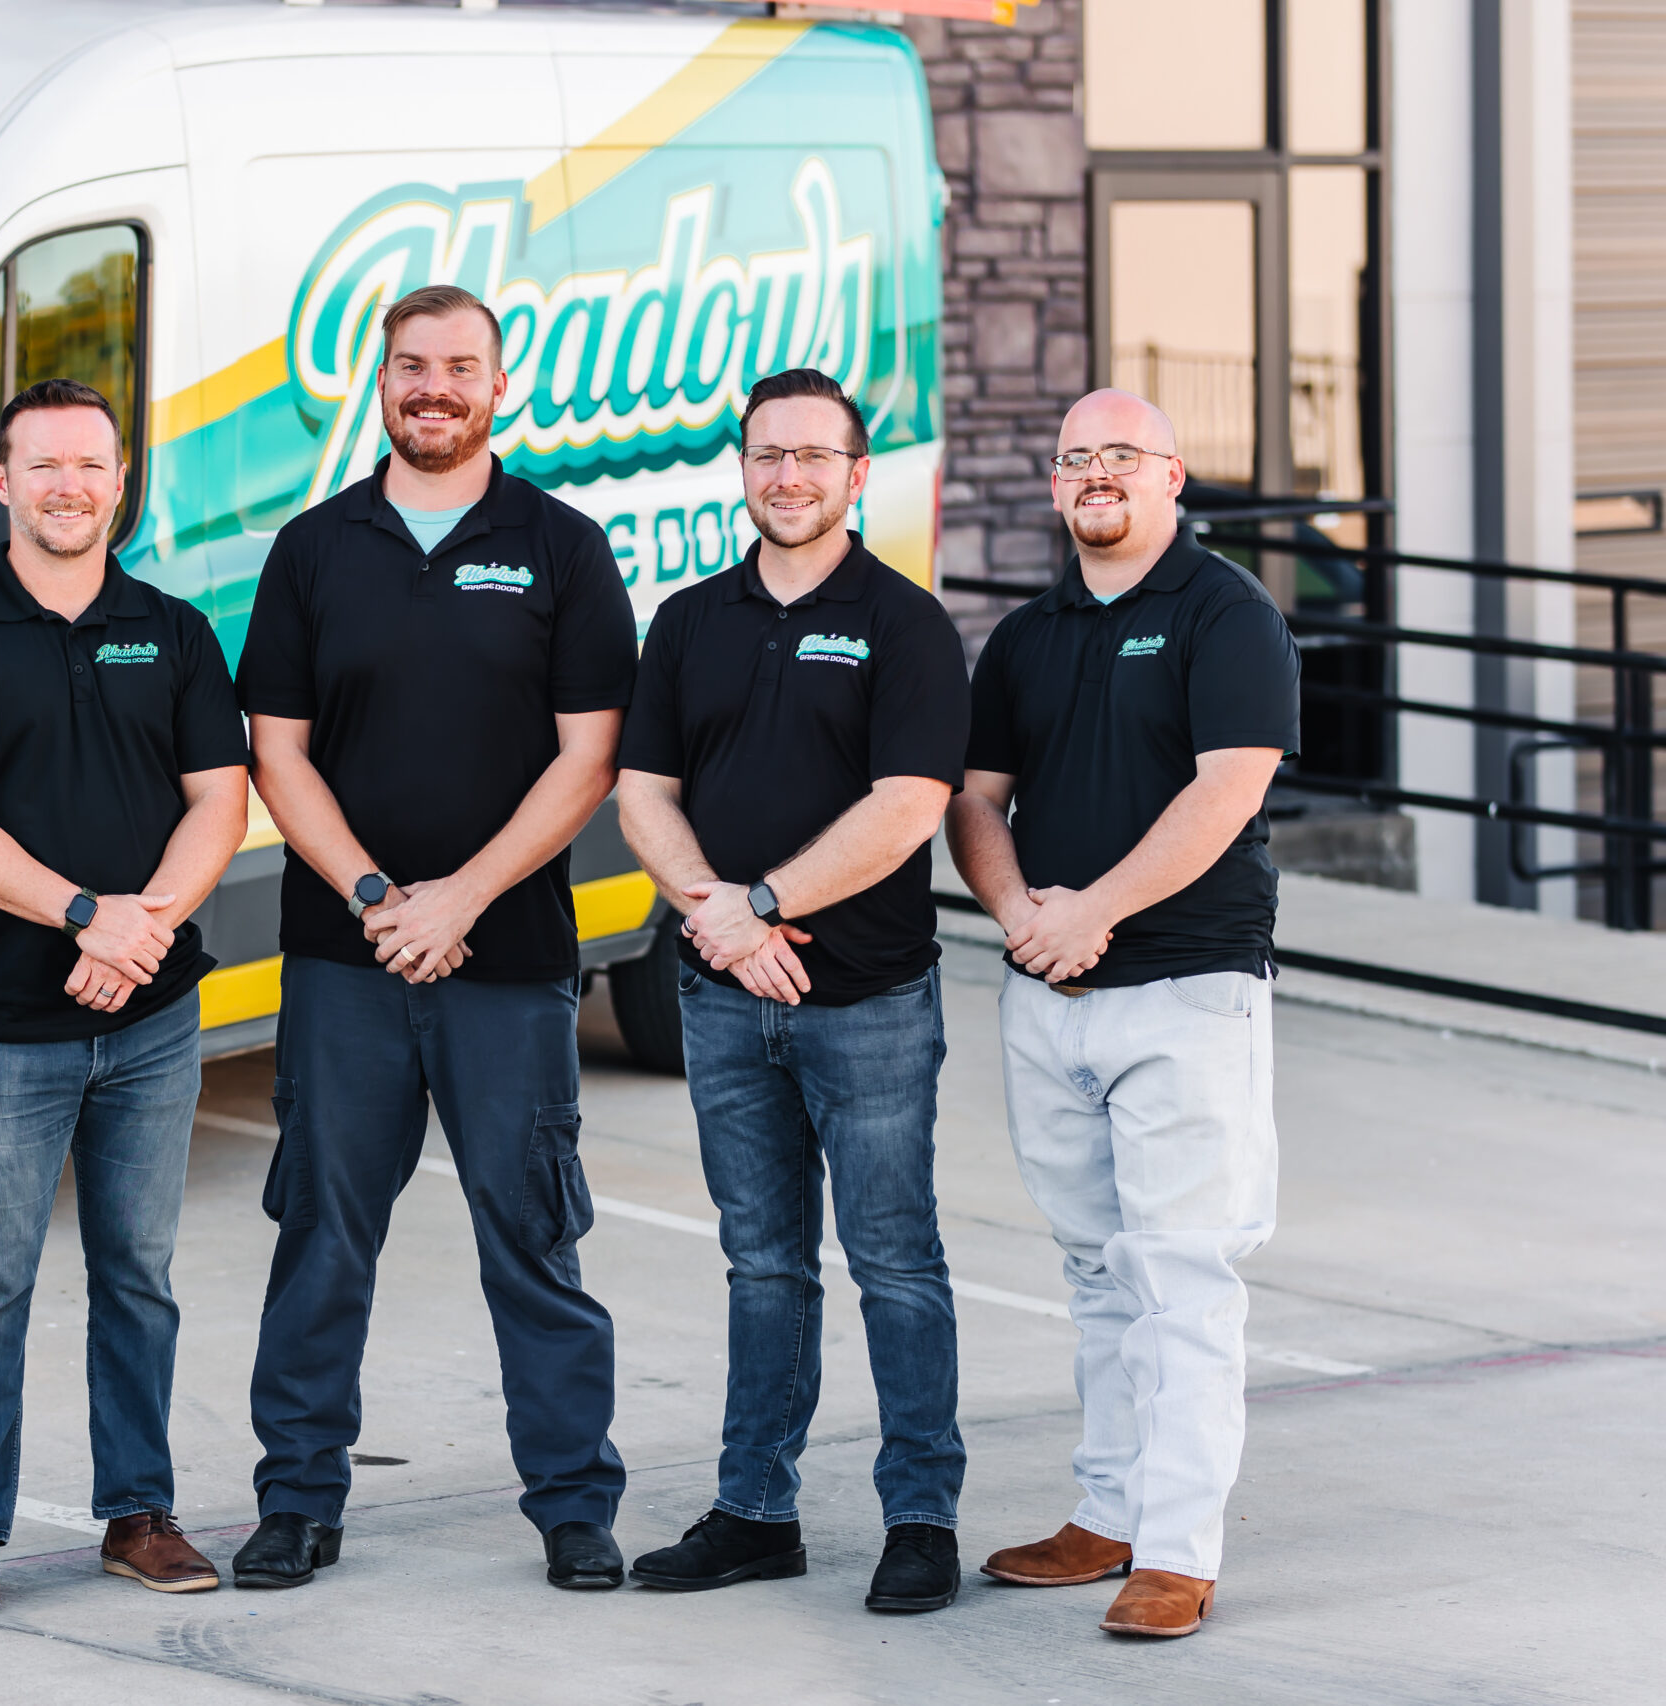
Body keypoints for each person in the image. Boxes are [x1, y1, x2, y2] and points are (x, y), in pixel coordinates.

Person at [231, 284, 638, 1593]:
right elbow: (275, 754)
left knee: (534, 1234)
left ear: (498, 387)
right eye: (413, 366)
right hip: (345, 963)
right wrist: (372, 895)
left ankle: (575, 1504)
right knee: (322, 1237)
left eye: (460, 367)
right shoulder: (313, 549)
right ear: (384, 381)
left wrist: (459, 896)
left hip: (507, 965)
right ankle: (297, 1499)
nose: (435, 388)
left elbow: (590, 759)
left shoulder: (564, 548)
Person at [0, 379, 250, 1615]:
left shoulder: (174, 629)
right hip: (5, 1025)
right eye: (41, 466)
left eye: (89, 465)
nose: (67, 487)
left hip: (149, 1022)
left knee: (137, 1273)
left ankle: (136, 1512)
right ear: (0, 482)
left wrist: (140, 933)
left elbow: (218, 799)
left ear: (118, 481)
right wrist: (90, 915)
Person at [615, 367, 971, 1612]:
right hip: (723, 998)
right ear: (744, 465)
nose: (788, 476)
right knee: (761, 1261)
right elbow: (641, 793)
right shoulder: (691, 617)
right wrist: (715, 914)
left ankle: (920, 1515)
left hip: (865, 1000)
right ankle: (755, 1508)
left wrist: (757, 904)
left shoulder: (905, 622)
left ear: (856, 474)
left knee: (895, 1261)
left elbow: (908, 807)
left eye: (814, 456)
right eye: (768, 454)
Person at [944, 388, 1298, 1639]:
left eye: (1122, 456)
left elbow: (1227, 790)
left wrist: (1092, 906)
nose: (1097, 474)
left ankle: (1179, 1547)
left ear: (1172, 476)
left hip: (1188, 989)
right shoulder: (1029, 634)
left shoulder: (1225, 613)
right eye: (1075, 458)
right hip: (1050, 991)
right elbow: (976, 798)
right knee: (1093, 1267)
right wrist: (1020, 912)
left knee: (1183, 1272)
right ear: (1054, 487)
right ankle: (1106, 1507)